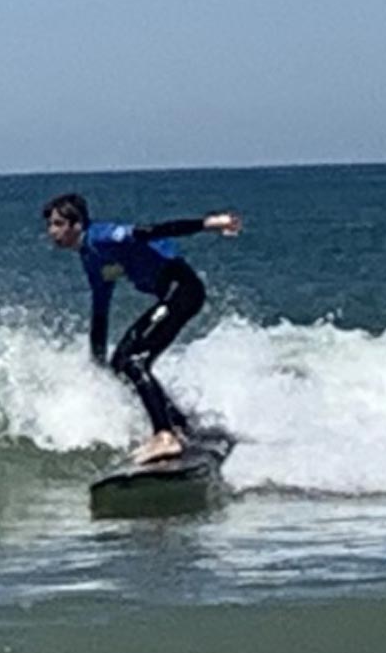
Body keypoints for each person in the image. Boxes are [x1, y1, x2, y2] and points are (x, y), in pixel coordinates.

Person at [43, 192, 242, 462]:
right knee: (121, 362)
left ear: (77, 224)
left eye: (58, 224)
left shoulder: (102, 236)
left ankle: (165, 436)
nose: (51, 231)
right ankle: (179, 426)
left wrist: (210, 223)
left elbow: (151, 231)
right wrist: (97, 362)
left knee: (135, 361)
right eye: (50, 224)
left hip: (182, 289)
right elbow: (100, 312)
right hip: (173, 295)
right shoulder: (92, 259)